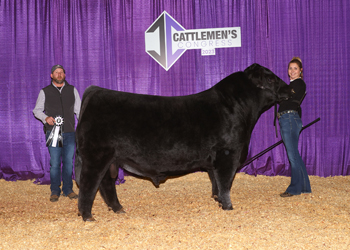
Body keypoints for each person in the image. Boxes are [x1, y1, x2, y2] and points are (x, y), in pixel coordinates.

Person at [33, 65, 81, 202]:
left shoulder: (72, 90)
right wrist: (45, 118)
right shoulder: (45, 91)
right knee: (54, 163)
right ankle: (55, 190)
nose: (59, 74)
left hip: (70, 132)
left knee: (68, 163)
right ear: (51, 75)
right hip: (53, 131)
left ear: (64, 75)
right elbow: (37, 110)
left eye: (61, 72)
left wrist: (83, 124)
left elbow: (79, 110)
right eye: (56, 72)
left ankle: (68, 189)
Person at [278, 57, 311, 197]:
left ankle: (294, 189)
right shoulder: (292, 85)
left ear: (301, 70)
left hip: (289, 119)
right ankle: (304, 186)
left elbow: (286, 98)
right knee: (295, 154)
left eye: (295, 68)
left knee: (292, 156)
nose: (292, 71)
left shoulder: (298, 84)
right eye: (290, 68)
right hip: (289, 119)